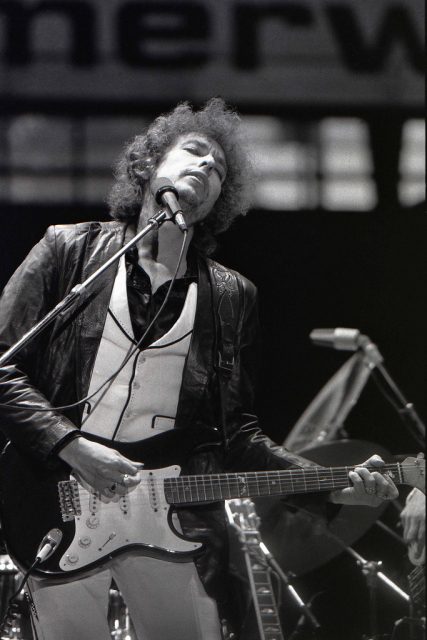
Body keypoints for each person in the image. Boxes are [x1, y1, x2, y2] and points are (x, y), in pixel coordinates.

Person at [0, 98, 399, 640]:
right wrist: (70, 446)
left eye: (219, 170)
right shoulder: (67, 250)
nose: (208, 168)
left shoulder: (232, 296)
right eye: (194, 152)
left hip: (167, 519)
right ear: (148, 167)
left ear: (220, 202)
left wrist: (325, 489)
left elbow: (236, 432)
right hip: (53, 496)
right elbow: (3, 368)